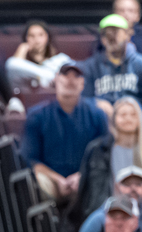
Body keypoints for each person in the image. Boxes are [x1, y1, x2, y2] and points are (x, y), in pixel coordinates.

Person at [72, 97, 142, 226]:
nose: (128, 119)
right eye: (123, 115)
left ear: (140, 118)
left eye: (133, 114)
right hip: (108, 212)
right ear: (114, 119)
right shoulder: (97, 150)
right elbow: (87, 194)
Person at [22, 64, 107, 210]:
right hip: (51, 180)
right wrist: (57, 180)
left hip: (85, 178)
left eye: (76, 76)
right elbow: (30, 159)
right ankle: (43, 222)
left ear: (82, 83)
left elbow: (104, 152)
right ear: (56, 80)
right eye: (65, 75)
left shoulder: (97, 115)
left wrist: (81, 176)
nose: (70, 80)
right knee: (34, 181)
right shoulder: (37, 116)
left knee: (101, 176)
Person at [80, 15, 142, 130]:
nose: (111, 37)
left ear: (127, 35)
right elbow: (84, 103)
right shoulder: (91, 66)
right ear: (102, 39)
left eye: (115, 32)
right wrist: (96, 103)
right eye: (106, 34)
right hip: (104, 127)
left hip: (136, 128)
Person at [6, 20, 71, 92]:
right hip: (27, 97)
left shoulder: (60, 60)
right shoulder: (20, 64)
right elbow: (13, 66)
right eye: (32, 36)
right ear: (26, 38)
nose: (37, 40)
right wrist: (22, 49)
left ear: (47, 37)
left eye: (41, 35)